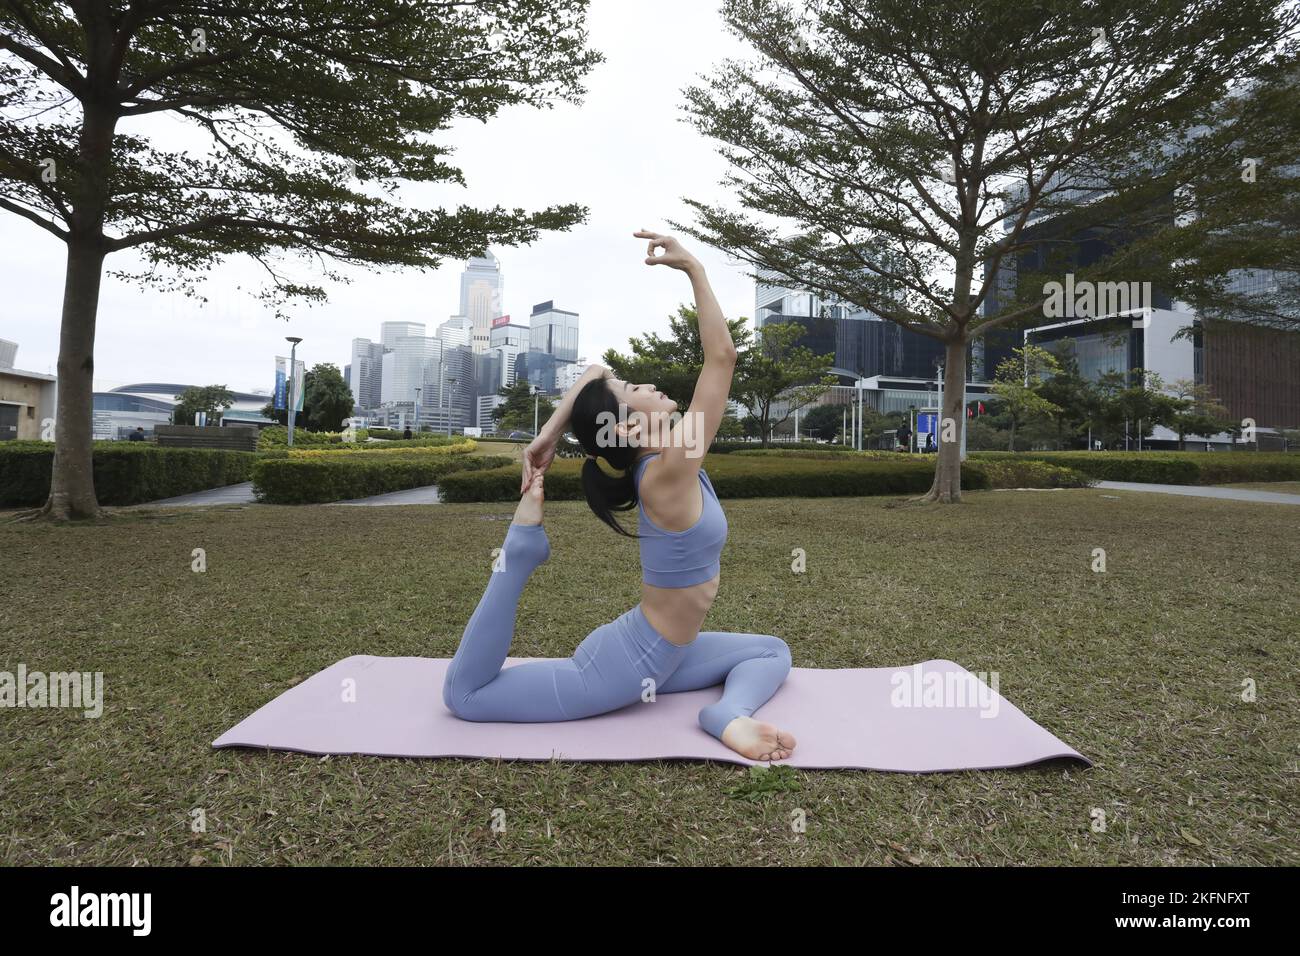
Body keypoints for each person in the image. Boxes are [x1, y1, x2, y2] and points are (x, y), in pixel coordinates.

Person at [442, 230, 795, 761]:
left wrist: (550, 433)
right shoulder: (666, 473)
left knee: (772, 651)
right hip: (624, 670)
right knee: (465, 697)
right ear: (628, 430)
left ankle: (725, 714)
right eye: (636, 392)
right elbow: (721, 358)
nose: (648, 385)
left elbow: (595, 373)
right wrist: (694, 269)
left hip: (669, 652)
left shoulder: (668, 459)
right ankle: (520, 552)